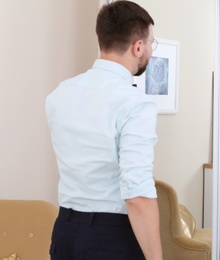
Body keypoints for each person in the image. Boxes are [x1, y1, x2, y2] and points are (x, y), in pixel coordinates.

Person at [45, 1, 163, 259]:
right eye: (152, 42)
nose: (152, 49)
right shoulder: (135, 104)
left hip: (64, 232)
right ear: (138, 46)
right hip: (111, 238)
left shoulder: (59, 95)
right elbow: (137, 194)